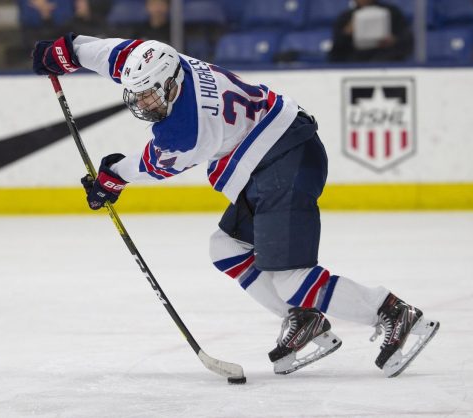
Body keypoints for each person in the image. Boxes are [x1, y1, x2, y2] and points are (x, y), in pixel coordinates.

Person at [31, 33, 439, 376]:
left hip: (284, 158)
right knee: (225, 248)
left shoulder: (188, 126)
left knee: (292, 277)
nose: (145, 106)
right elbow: (115, 54)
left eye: (153, 98)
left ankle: (394, 314)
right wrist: (67, 51)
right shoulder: (161, 62)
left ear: (172, 84)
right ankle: (303, 319)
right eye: (139, 97)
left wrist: (112, 177)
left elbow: (154, 165)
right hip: (267, 161)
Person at [330, 0, 413, 63]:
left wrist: (393, 40)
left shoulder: (392, 13)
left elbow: (407, 40)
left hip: (387, 60)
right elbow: (336, 51)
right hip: (356, 62)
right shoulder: (345, 17)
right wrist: (347, 32)